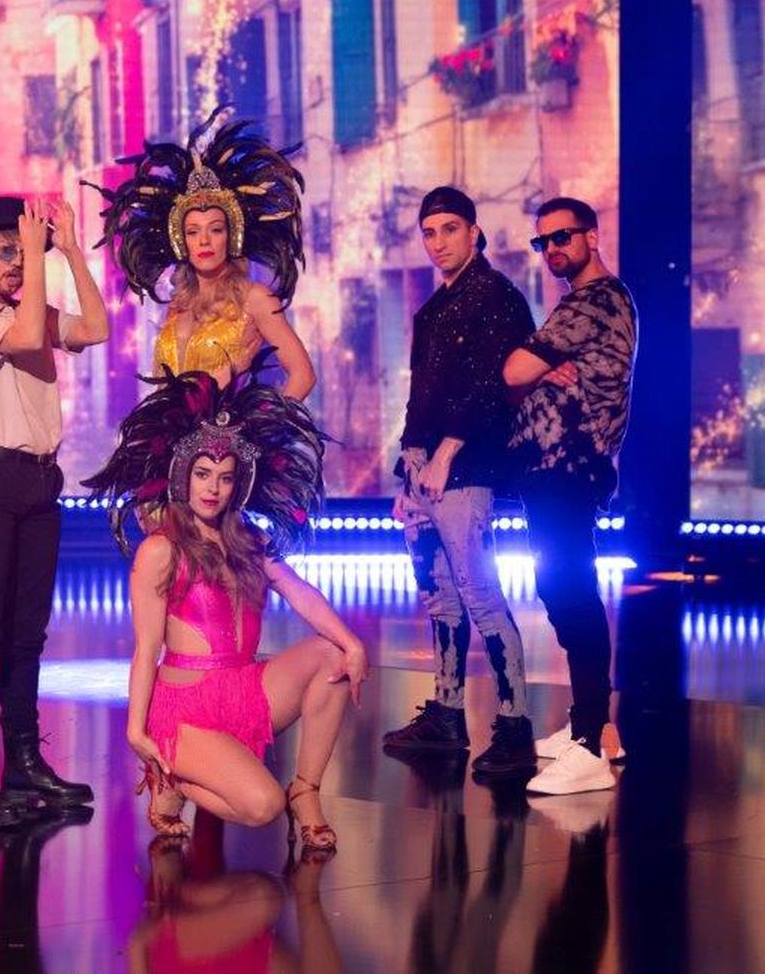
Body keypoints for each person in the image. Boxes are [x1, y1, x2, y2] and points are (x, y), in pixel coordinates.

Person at [84, 362, 366, 855]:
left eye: (225, 478)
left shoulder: (249, 539)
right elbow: (146, 649)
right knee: (262, 806)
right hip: (184, 709)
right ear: (183, 477)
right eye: (203, 475)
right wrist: (137, 731)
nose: (212, 488)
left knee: (333, 657)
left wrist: (352, 643)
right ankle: (170, 776)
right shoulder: (161, 549)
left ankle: (305, 790)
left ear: (239, 485)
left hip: (245, 688)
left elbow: (298, 589)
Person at [0, 194, 109, 828]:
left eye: (23, 248)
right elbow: (31, 335)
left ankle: (23, 760)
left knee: (27, 634)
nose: (18, 261)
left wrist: (71, 252)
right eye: (7, 250)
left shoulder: (26, 307)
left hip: (39, 482)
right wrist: (39, 258)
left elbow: (95, 329)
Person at [381, 186, 538, 777]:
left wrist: (446, 453)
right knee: (438, 594)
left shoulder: (496, 296)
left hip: (468, 470)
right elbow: (420, 398)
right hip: (425, 472)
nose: (438, 241)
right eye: (429, 232)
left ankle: (515, 727)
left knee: (480, 592)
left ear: (474, 232)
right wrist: (408, 471)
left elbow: (494, 389)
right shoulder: (432, 310)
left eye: (450, 229)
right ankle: (447, 715)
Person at [504, 196, 637, 795]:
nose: (553, 249)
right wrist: (539, 367)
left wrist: (535, 365)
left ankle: (589, 746)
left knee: (572, 591)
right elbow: (520, 376)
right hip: (553, 469)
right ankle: (593, 727)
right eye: (544, 242)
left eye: (563, 237)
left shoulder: (597, 300)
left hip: (570, 467)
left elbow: (513, 372)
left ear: (592, 236)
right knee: (559, 589)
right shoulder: (579, 304)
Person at [91, 107, 315, 397]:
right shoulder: (178, 304)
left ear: (231, 237)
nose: (204, 241)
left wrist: (257, 420)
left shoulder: (256, 299)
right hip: (170, 427)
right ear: (181, 241)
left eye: (216, 229)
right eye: (193, 232)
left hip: (228, 427)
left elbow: (303, 375)